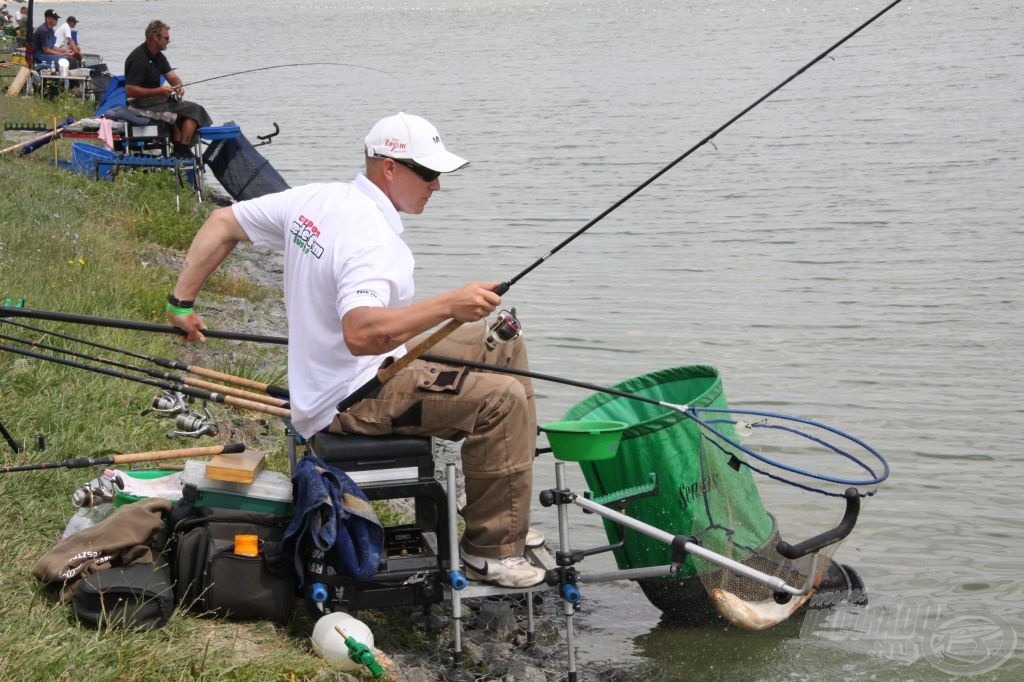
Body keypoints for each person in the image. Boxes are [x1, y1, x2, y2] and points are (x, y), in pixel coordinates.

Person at [166, 113, 547, 589]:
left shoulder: (319, 198)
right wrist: (449, 304)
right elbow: (362, 334)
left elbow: (223, 222)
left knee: (503, 343)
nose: (436, 187)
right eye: (427, 174)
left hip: (337, 369)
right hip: (351, 395)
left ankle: (503, 508)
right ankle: (489, 552)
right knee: (502, 399)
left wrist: (179, 304)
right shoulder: (372, 240)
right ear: (389, 167)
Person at [124, 19, 212, 158]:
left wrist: (178, 86)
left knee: (185, 110)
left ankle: (180, 149)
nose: (168, 41)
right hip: (140, 103)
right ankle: (182, 150)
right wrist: (158, 91)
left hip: (157, 100)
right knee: (195, 110)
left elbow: (173, 78)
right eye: (166, 38)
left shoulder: (158, 56)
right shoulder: (138, 59)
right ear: (155, 37)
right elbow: (130, 90)